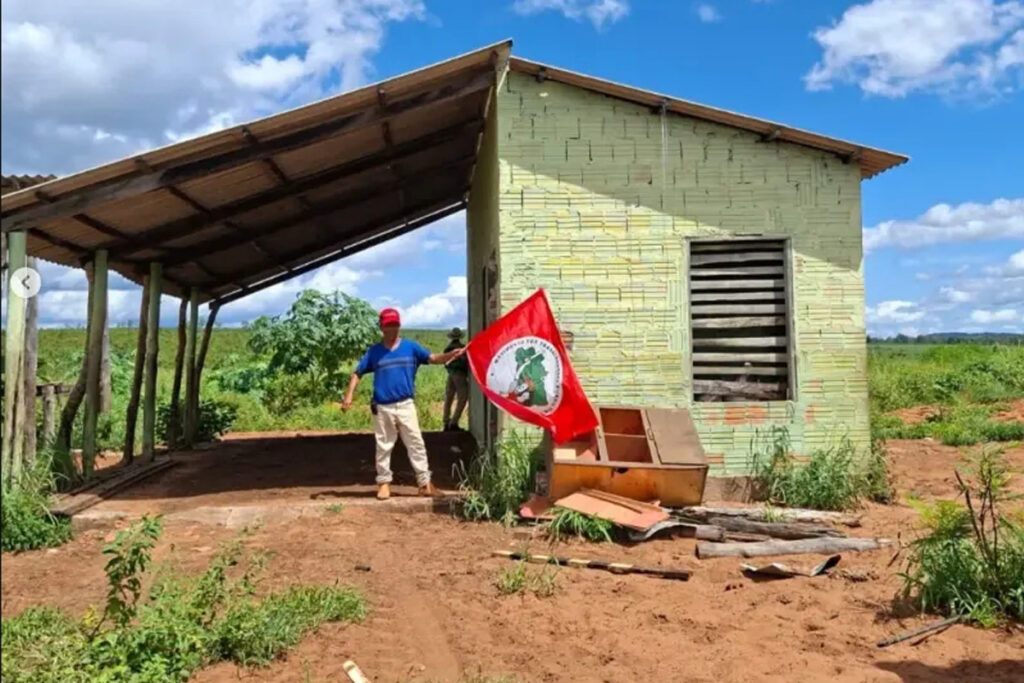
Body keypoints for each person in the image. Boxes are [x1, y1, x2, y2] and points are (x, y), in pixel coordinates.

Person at [342, 308, 466, 500]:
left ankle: (425, 483)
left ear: (399, 326)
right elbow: (357, 373)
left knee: (416, 443)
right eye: (388, 325)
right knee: (384, 445)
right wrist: (349, 397)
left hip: (406, 405)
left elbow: (432, 358)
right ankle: (384, 484)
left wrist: (449, 355)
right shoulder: (374, 352)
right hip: (383, 407)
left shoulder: (411, 347)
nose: (392, 328)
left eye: (395, 324)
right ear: (381, 327)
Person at [442, 327, 469, 431]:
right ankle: (454, 422)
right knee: (463, 397)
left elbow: (445, 362)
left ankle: (446, 422)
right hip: (460, 374)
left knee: (449, 398)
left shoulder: (447, 349)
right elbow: (465, 363)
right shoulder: (462, 348)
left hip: (451, 374)